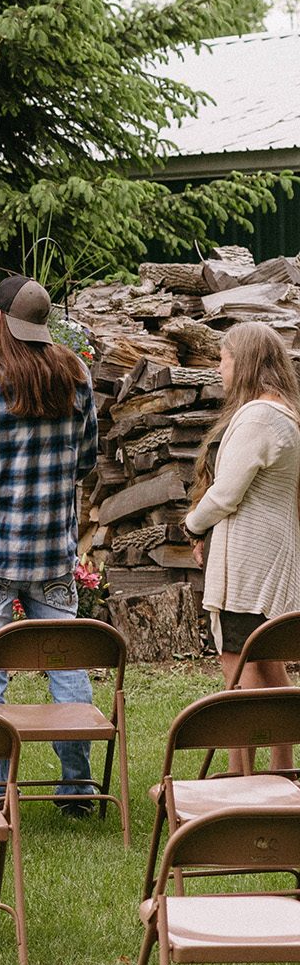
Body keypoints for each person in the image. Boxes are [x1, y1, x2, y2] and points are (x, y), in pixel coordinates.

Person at [0, 277, 100, 802]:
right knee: (66, 663)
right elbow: (86, 462)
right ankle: (78, 785)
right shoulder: (77, 378)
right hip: (54, 554)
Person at [186, 320, 300, 776]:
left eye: (223, 358)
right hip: (267, 556)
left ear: (246, 362)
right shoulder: (284, 414)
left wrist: (193, 527)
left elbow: (227, 493)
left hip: (250, 566)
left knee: (240, 663)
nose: (219, 368)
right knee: (266, 662)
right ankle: (278, 768)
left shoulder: (258, 417)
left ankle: (246, 779)